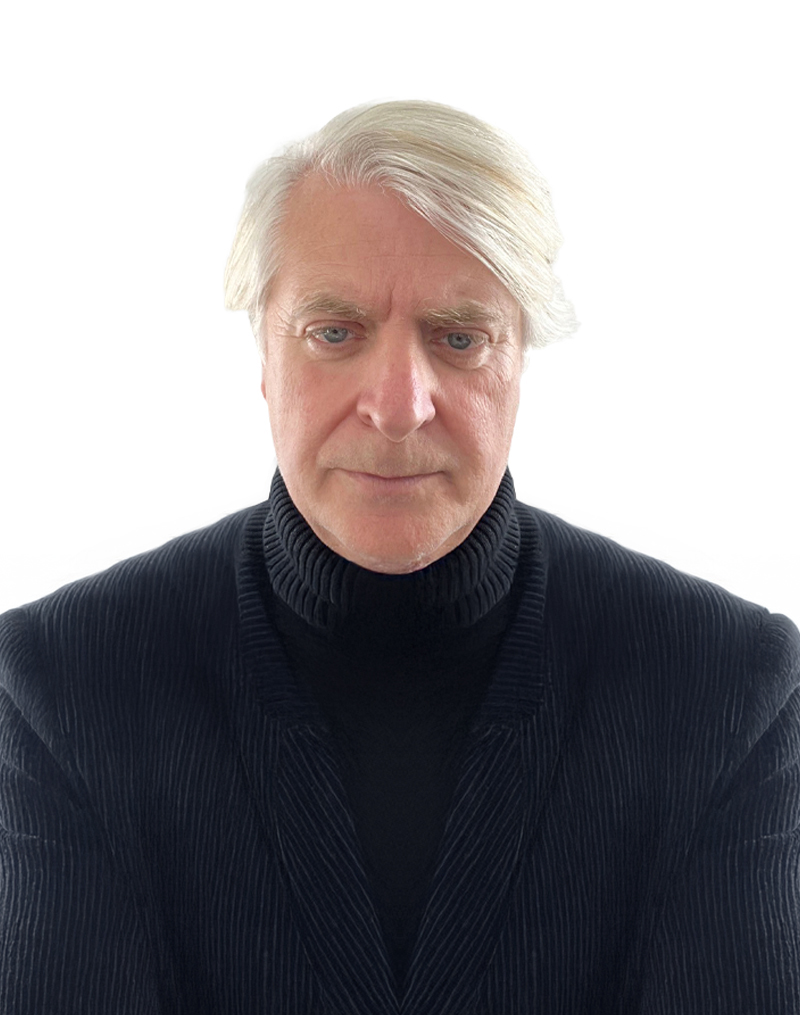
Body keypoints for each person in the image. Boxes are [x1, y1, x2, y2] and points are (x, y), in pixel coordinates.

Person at [1, 100, 798, 1015]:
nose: (397, 405)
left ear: (519, 358)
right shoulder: (66, 685)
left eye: (459, 337)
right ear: (262, 353)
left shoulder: (724, 688)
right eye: (334, 332)